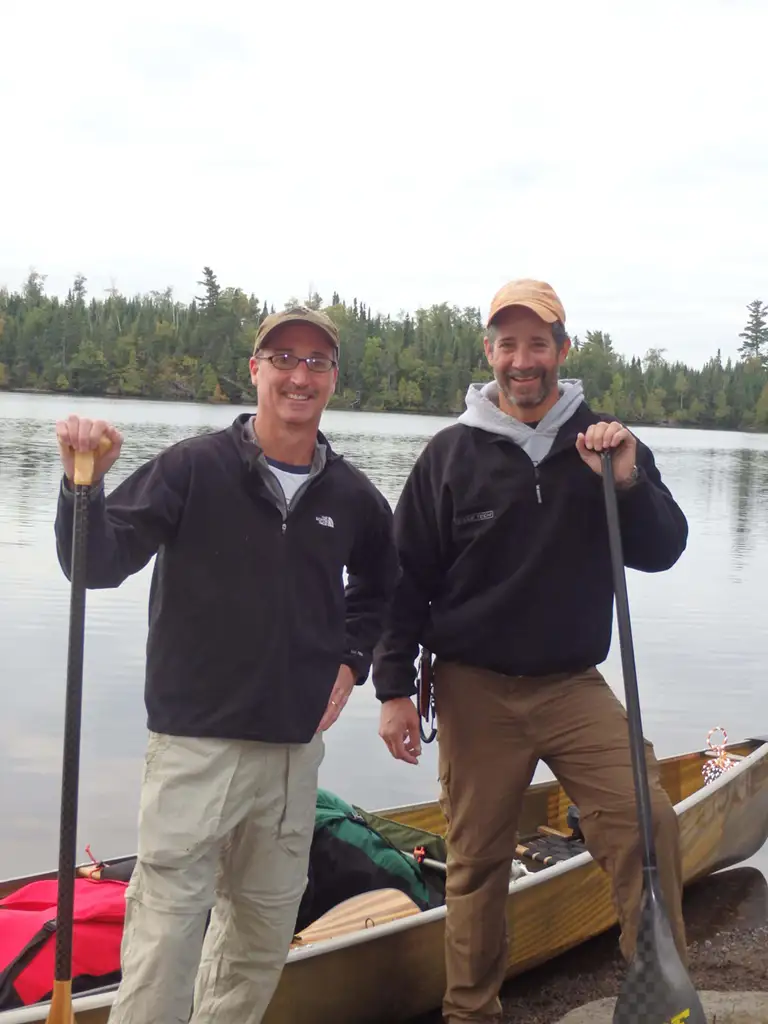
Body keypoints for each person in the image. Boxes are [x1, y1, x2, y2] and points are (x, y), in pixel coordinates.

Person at [53, 305, 399, 1024]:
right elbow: (95, 563)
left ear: (334, 378)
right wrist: (81, 488)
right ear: (256, 370)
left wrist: (351, 662)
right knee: (164, 944)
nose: (299, 376)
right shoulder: (191, 468)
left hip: (291, 758)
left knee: (258, 941)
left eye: (316, 362)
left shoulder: (353, 497)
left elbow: (382, 584)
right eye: (283, 359)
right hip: (193, 751)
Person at [372, 279, 689, 1023]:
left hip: (572, 685)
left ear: (561, 352)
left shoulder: (606, 441)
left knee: (649, 822)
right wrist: (392, 689)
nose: (522, 360)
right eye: (507, 345)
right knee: (476, 864)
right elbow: (404, 578)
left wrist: (627, 482)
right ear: (490, 354)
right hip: (473, 687)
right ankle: (471, 1011)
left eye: (537, 344)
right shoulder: (450, 456)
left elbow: (664, 548)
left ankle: (656, 996)